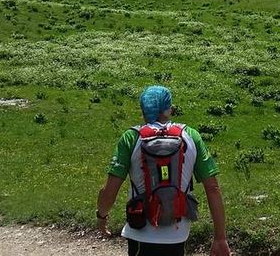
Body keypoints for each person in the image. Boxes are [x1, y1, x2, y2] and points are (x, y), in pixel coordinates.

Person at [96, 85, 231, 256]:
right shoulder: (191, 136)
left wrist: (101, 215)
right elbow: (213, 189)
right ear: (169, 110)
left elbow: (110, 191)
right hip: (177, 234)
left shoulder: (131, 138)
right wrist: (220, 238)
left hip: (139, 232)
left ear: (143, 110)